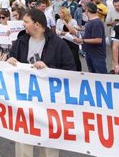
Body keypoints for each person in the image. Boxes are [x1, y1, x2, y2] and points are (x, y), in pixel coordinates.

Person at [7, 9, 76, 157]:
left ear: (37, 24)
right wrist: (10, 61)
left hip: (49, 103)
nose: (23, 25)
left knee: (49, 145)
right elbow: (11, 59)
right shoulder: (21, 41)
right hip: (25, 101)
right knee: (23, 142)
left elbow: (71, 70)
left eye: (26, 22)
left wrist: (49, 70)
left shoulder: (58, 44)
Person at [73, 2, 107, 74]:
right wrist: (81, 29)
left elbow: (98, 40)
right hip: (90, 52)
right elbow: (89, 31)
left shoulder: (96, 22)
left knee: (100, 75)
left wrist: (82, 40)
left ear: (87, 10)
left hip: (96, 54)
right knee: (92, 75)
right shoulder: (90, 21)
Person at [55, 7, 81, 71]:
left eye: (61, 13)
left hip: (72, 42)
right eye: (59, 13)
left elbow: (74, 32)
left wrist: (66, 24)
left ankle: (77, 71)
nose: (59, 14)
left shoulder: (73, 21)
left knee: (74, 58)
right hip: (63, 41)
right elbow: (57, 31)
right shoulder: (58, 21)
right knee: (64, 58)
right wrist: (66, 33)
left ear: (65, 14)